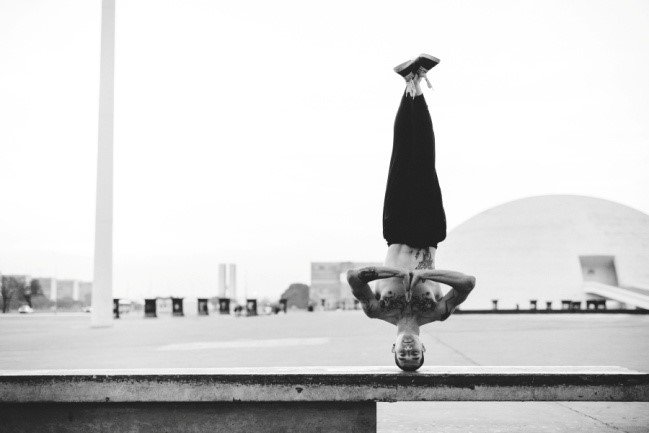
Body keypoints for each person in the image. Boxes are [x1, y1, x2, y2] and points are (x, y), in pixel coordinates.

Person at [347, 54, 476, 372]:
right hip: (430, 233)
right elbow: (467, 282)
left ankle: (408, 82)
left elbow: (353, 277)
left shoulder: (377, 310)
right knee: (426, 159)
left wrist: (391, 273)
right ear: (423, 349)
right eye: (414, 355)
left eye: (403, 356)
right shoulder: (437, 312)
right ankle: (416, 82)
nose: (408, 352)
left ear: (393, 348)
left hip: (397, 230)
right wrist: (425, 276)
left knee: (403, 157)